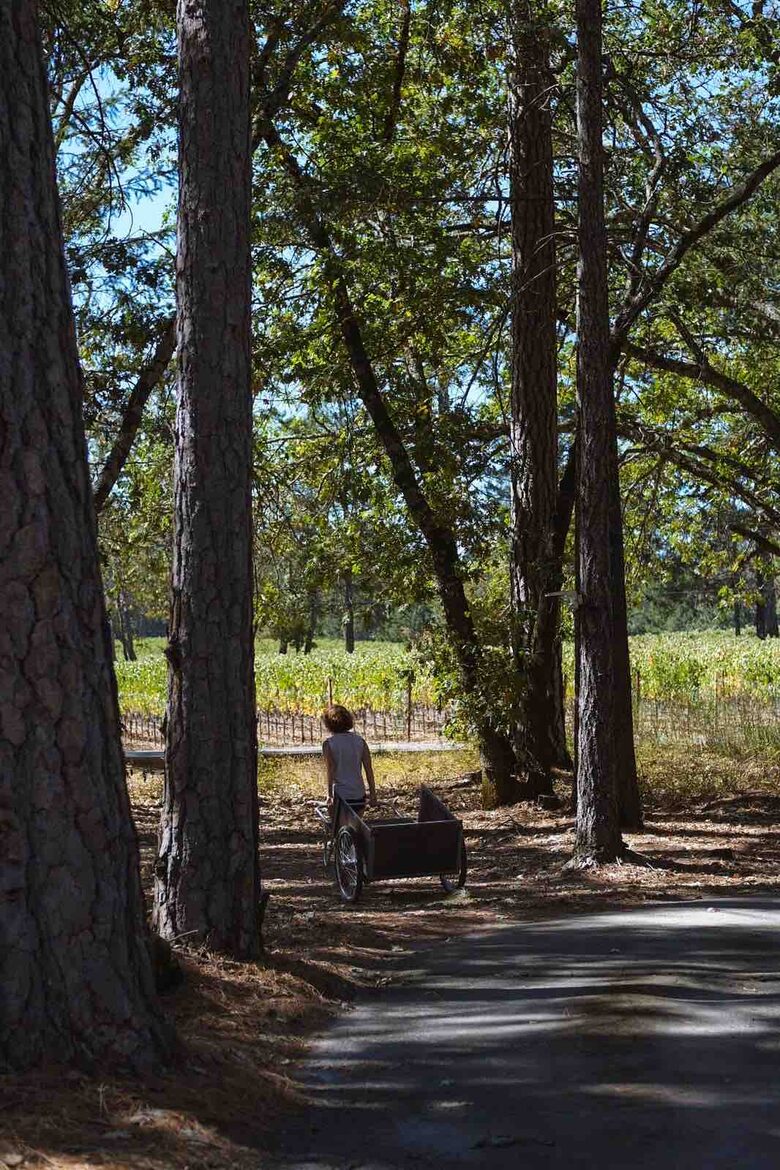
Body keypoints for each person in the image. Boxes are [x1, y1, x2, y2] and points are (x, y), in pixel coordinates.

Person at [322, 704, 377, 822]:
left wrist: (329, 795)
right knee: (354, 826)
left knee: (339, 827)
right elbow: (368, 770)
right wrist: (373, 793)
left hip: (340, 795)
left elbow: (331, 770)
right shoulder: (360, 742)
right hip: (358, 795)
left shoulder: (329, 744)